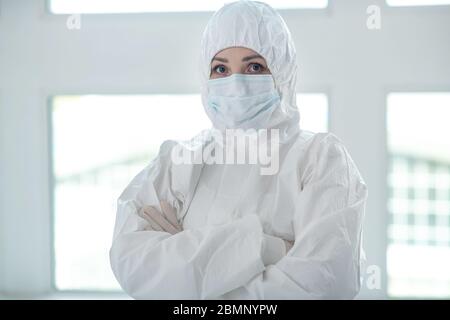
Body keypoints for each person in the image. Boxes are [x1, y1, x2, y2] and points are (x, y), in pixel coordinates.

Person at [109, 0, 368, 299]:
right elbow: (132, 262)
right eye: (220, 68)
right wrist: (268, 247)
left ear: (282, 74)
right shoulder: (177, 161)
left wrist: (190, 266)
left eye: (255, 67)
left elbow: (325, 285)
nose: (236, 83)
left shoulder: (321, 159)